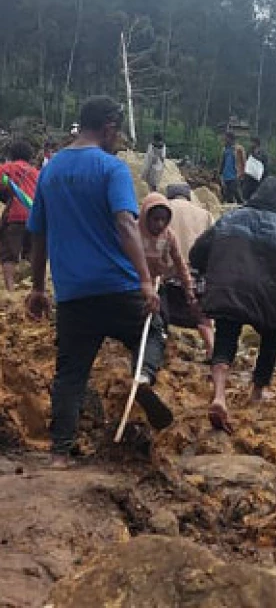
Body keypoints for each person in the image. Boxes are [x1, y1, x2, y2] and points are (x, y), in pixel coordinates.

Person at [26, 96, 172, 467]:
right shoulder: (112, 169)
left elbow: (39, 236)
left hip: (73, 293)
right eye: (118, 131)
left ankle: (59, 454)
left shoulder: (51, 171)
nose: (118, 138)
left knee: (71, 373)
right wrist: (143, 279)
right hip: (118, 286)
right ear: (108, 127)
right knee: (152, 331)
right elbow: (126, 224)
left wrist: (39, 289)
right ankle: (142, 376)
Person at [190, 177, 276, 433]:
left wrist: (210, 273)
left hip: (227, 289)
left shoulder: (230, 218)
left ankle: (219, 395)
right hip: (266, 298)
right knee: (271, 340)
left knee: (226, 338)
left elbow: (197, 252)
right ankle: (257, 392)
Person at [164, 184, 215, 357]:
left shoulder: (164, 210)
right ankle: (212, 351)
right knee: (203, 320)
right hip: (196, 276)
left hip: (169, 274)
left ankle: (160, 350)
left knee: (159, 315)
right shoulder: (204, 214)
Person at [0, 140, 39, 291]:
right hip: (35, 217)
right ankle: (33, 287)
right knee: (32, 254)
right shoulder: (36, 172)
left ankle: (11, 290)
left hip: (15, 216)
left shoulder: (7, 168)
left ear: (11, 155)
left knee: (8, 255)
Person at [218, 131, 246, 204]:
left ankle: (242, 206)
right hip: (226, 175)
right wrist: (220, 172)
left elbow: (243, 161)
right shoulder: (225, 149)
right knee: (227, 195)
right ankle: (230, 208)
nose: (225, 140)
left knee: (236, 193)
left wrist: (242, 173)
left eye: (226, 138)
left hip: (234, 175)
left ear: (231, 139)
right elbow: (222, 162)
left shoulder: (239, 149)